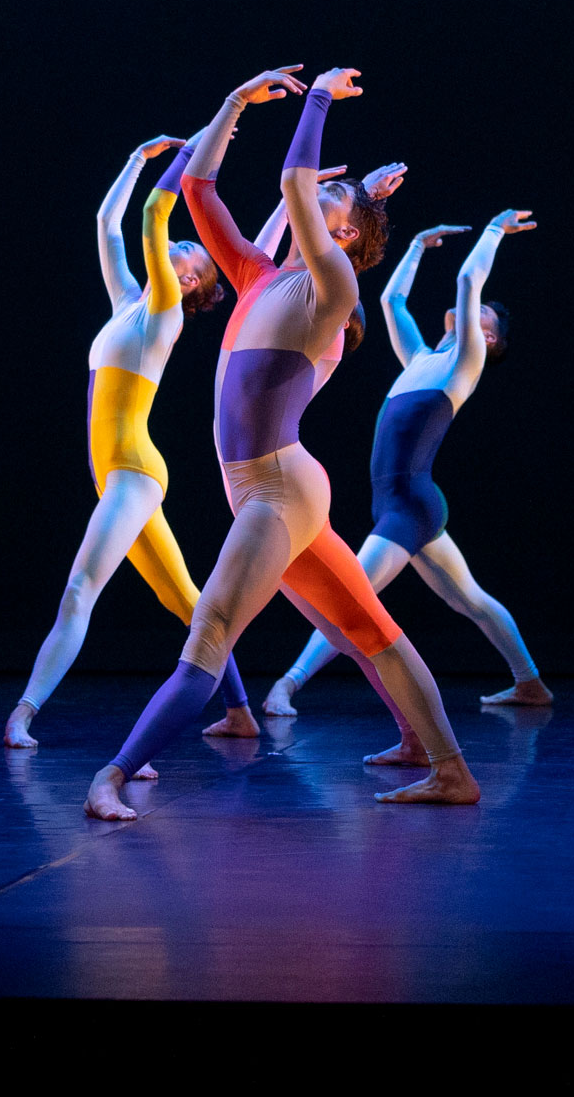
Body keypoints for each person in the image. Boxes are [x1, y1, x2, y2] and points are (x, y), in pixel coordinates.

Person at [86, 67, 479, 820]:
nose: (319, 194)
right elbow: (198, 190)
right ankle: (448, 767)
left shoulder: (334, 287)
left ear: (345, 236)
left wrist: (319, 96)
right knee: (369, 629)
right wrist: (233, 103)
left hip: (277, 491)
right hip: (272, 491)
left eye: (335, 201)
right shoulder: (257, 275)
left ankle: (114, 774)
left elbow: (295, 181)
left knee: (210, 632)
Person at [4, 135, 249, 749]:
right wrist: (138, 160)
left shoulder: (164, 309)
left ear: (187, 280)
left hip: (132, 473)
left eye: (188, 253)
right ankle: (240, 709)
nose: (178, 246)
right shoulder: (128, 306)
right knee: (187, 600)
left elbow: (151, 215)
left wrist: (189, 155)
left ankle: (23, 714)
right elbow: (107, 224)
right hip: (125, 473)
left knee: (80, 589)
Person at [262, 208, 550, 721]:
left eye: (484, 315)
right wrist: (415, 246)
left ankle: (287, 684)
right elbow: (391, 301)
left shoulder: (465, 362)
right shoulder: (420, 361)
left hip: (409, 507)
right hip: (405, 504)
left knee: (349, 594)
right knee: (471, 600)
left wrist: (492, 231)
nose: (475, 310)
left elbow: (468, 279)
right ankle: (530, 683)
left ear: (488, 339)